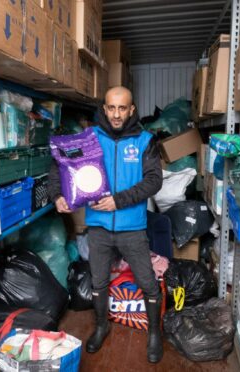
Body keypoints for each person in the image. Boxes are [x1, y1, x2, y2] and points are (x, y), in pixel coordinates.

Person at [47, 86, 164, 363]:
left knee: (148, 282)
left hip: (132, 228)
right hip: (98, 227)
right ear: (104, 108)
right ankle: (102, 325)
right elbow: (59, 164)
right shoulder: (89, 138)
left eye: (122, 108)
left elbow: (153, 181)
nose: (116, 114)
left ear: (132, 110)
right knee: (98, 282)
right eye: (111, 108)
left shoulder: (145, 141)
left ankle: (155, 332)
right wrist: (58, 195)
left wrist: (118, 201)